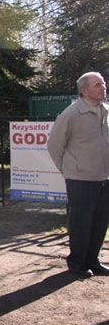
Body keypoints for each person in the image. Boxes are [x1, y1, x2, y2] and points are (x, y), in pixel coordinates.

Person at [47, 71, 109, 278]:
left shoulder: (106, 110)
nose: (103, 87)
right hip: (80, 179)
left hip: (104, 177)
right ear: (84, 91)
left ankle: (93, 261)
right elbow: (54, 145)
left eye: (103, 83)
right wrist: (69, 171)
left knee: (100, 222)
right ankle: (77, 264)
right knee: (81, 222)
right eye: (97, 84)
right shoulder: (72, 113)